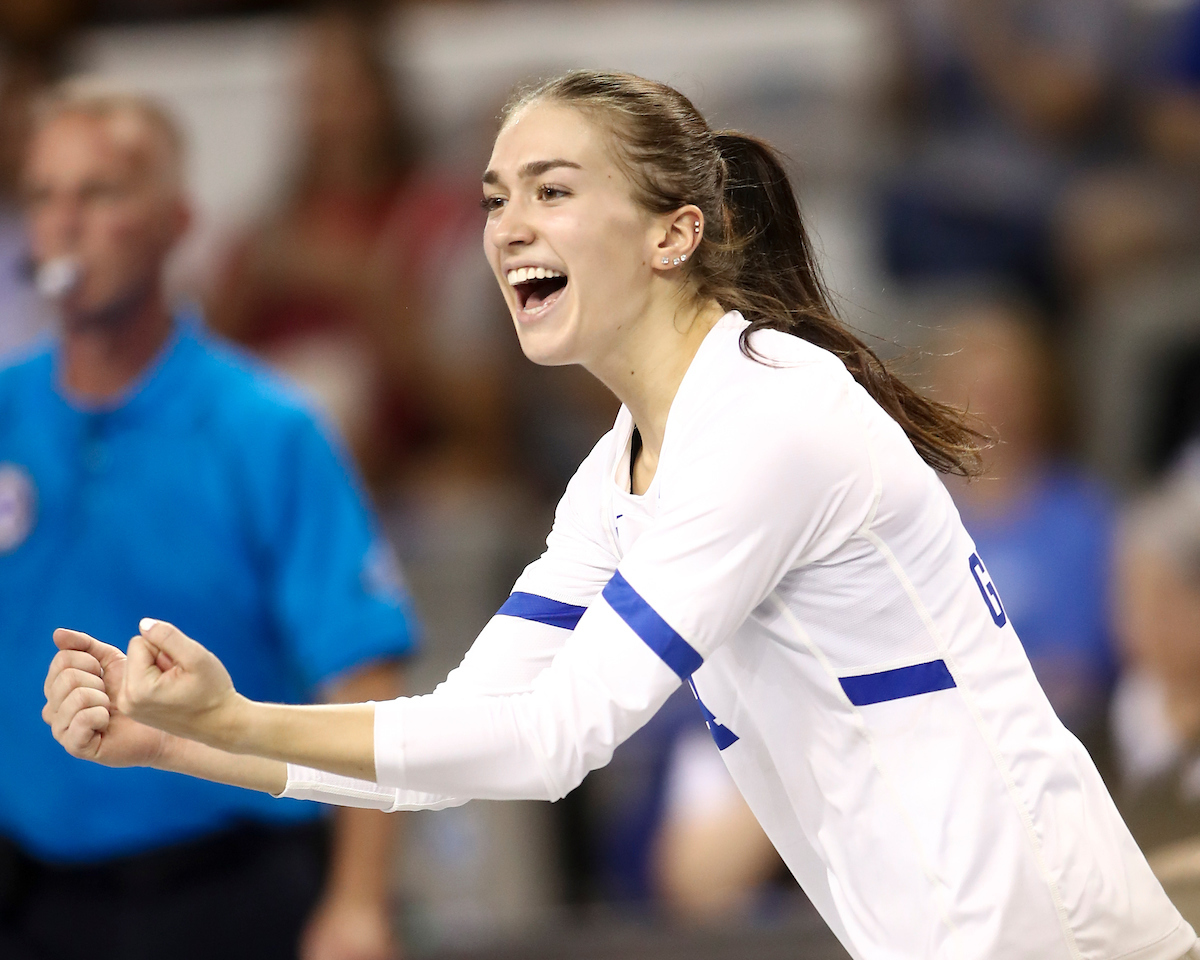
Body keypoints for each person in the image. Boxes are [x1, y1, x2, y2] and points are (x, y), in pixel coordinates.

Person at [43, 71, 1197, 959]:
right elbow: (461, 738)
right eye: (496, 199)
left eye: (553, 190)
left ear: (673, 233)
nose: (508, 227)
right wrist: (185, 742)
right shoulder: (622, 469)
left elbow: (554, 741)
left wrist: (238, 719)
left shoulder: (765, 417)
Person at [6, 90, 417, 960]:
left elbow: (364, 675)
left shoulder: (266, 428)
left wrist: (356, 903)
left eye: (102, 194)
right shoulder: (5, 415)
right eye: (44, 196)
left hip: (235, 894)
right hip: (36, 899)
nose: (66, 224)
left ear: (174, 221)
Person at [930, 301, 1118, 750]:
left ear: (1040, 398)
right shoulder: (918, 515)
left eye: (1008, 391)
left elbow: (1081, 668)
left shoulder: (1083, 520)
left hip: (1058, 742)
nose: (993, 411)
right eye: (973, 391)